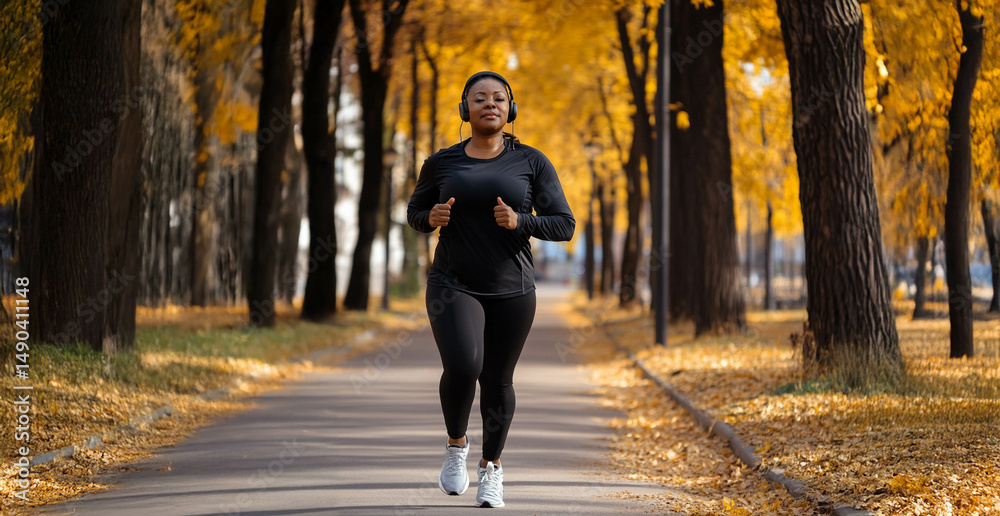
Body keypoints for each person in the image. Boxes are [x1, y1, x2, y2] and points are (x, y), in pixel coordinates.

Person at [406, 71, 575, 508]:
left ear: (510, 109)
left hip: (512, 289)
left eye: (499, 98)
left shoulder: (532, 162)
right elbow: (414, 210)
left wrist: (524, 222)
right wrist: (431, 218)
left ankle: (491, 469)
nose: (490, 104)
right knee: (464, 365)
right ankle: (456, 446)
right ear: (466, 109)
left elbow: (564, 224)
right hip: (452, 282)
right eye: (479, 98)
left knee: (498, 380)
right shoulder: (441, 162)